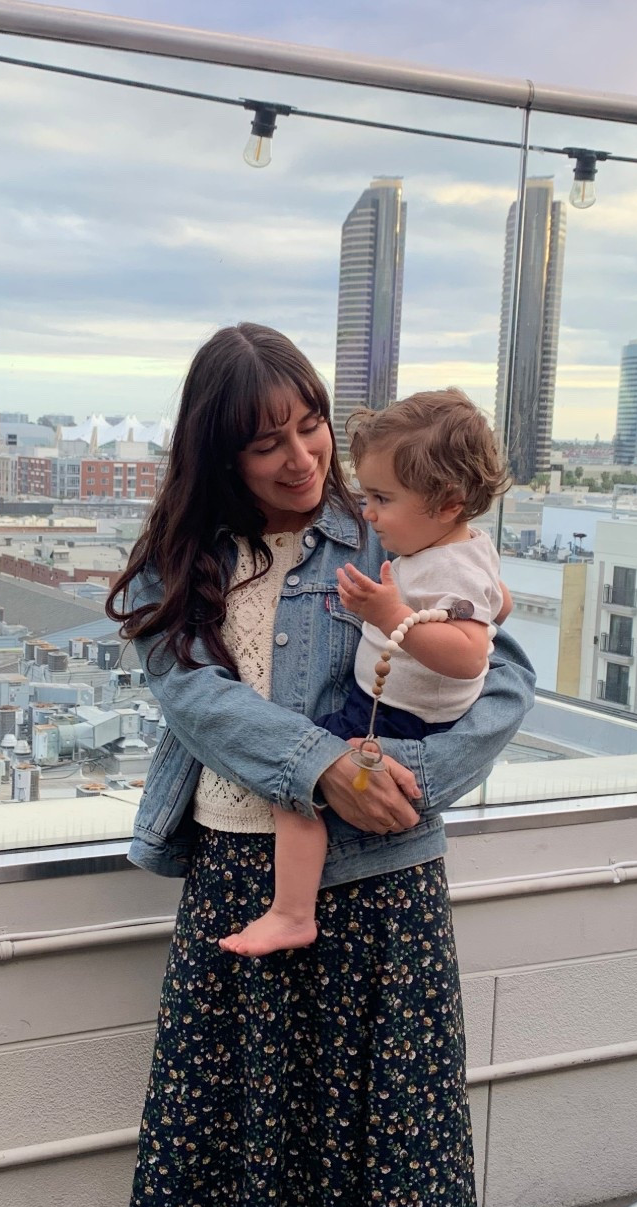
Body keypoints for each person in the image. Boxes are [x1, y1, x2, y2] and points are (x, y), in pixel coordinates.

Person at [105, 323, 535, 1207]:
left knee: (352, 1122)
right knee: (233, 1110)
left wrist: (394, 782)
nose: (303, 458)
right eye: (266, 443)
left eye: (311, 426)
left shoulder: (393, 527)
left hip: (374, 884)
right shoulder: (180, 561)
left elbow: (499, 683)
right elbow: (191, 700)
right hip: (234, 868)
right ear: (217, 453)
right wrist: (320, 767)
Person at [218, 388, 514, 957]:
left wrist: (389, 613)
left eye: (381, 498)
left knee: (297, 786)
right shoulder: (456, 548)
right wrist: (496, 603)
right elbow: (494, 604)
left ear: (447, 501)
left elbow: (477, 657)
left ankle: (291, 913)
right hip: (391, 712)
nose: (370, 513)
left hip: (396, 722)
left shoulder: (443, 561)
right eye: (268, 443)